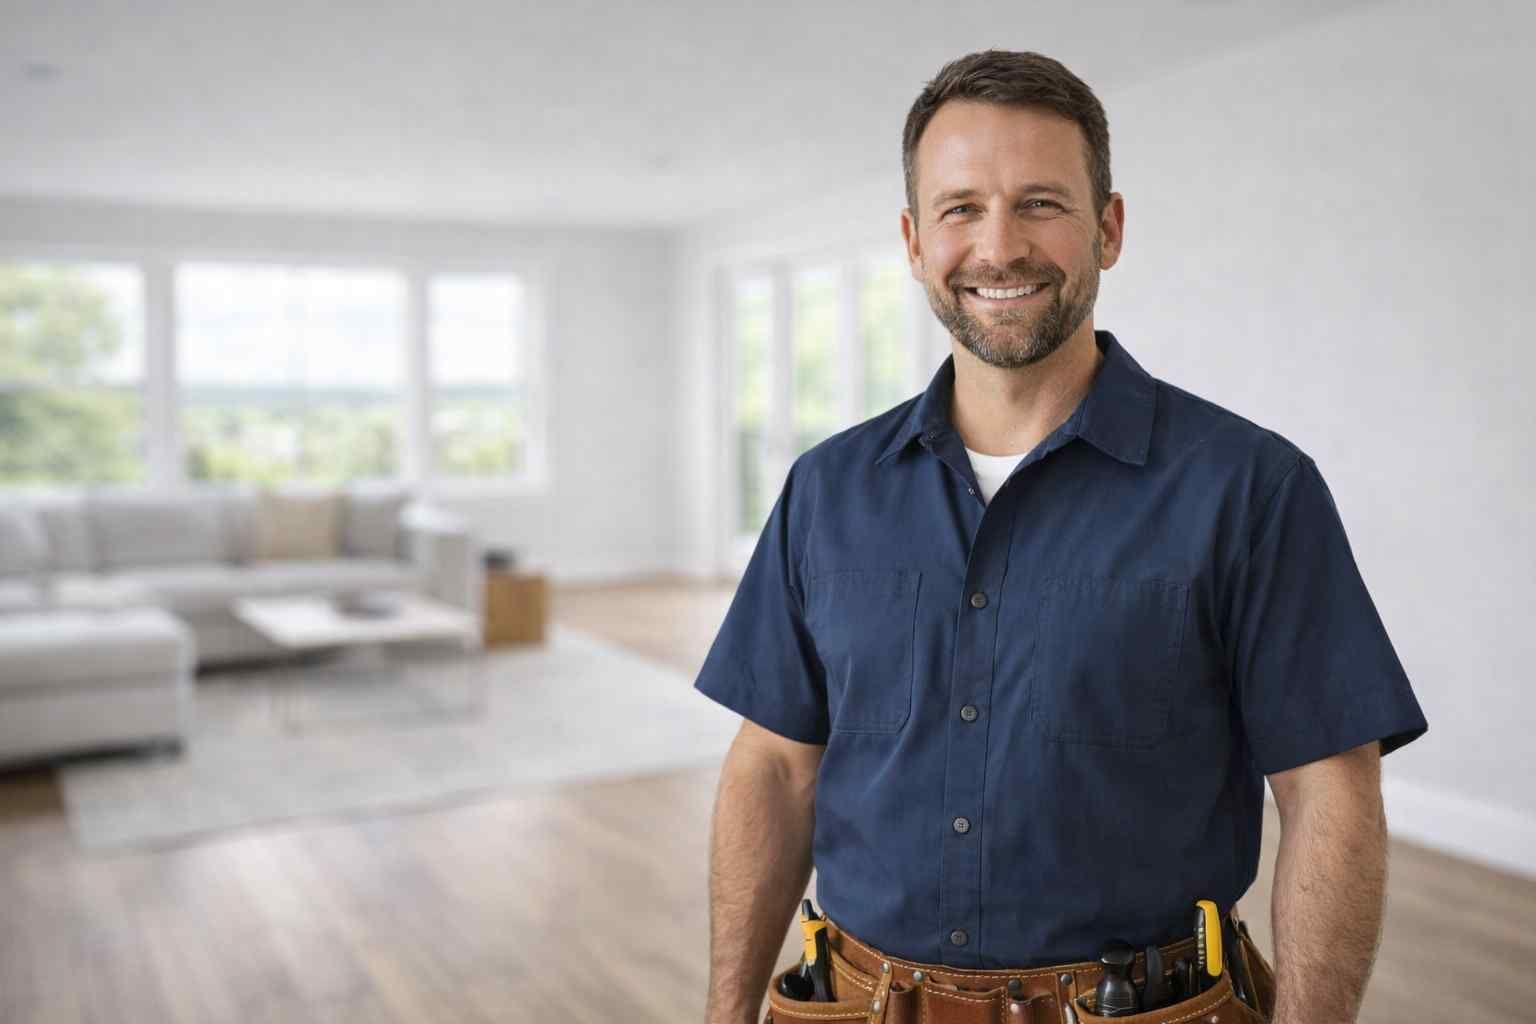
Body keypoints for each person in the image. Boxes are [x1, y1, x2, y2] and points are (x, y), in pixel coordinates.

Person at [695, 49, 1427, 1024]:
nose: (1000, 247)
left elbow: (1330, 793)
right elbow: (775, 768)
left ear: (1108, 229)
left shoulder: (1251, 487)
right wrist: (725, 1009)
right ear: (914, 242)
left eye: (1040, 202)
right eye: (961, 208)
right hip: (856, 1005)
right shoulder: (826, 489)